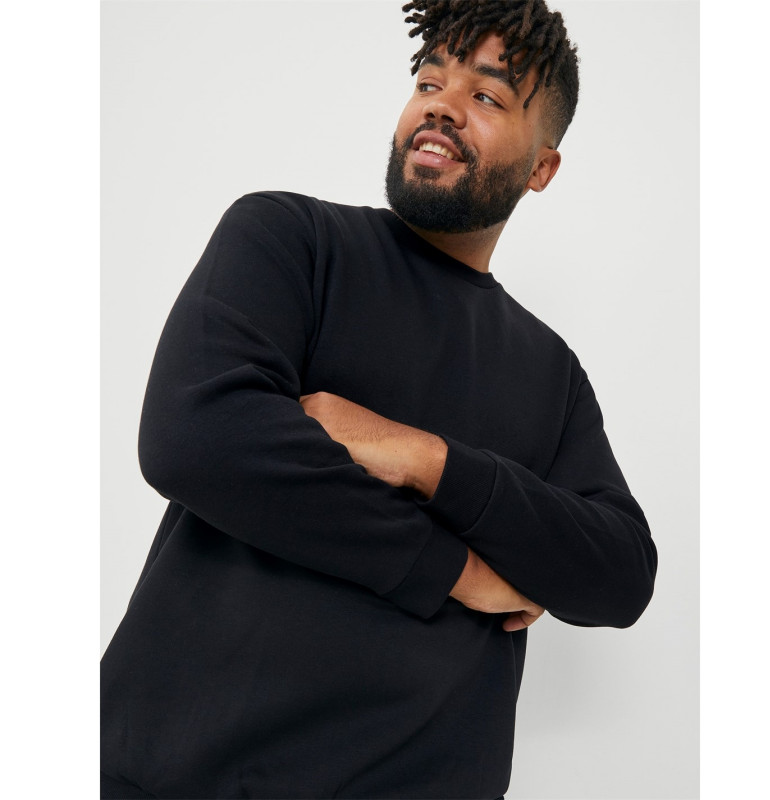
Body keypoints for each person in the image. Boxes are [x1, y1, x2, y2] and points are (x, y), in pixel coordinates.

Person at [100, 1, 658, 798]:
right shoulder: (289, 238)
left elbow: (620, 574)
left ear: (542, 167)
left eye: (486, 95)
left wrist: (427, 460)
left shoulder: (551, 372)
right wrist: (458, 569)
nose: (442, 105)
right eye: (429, 81)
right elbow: (198, 436)